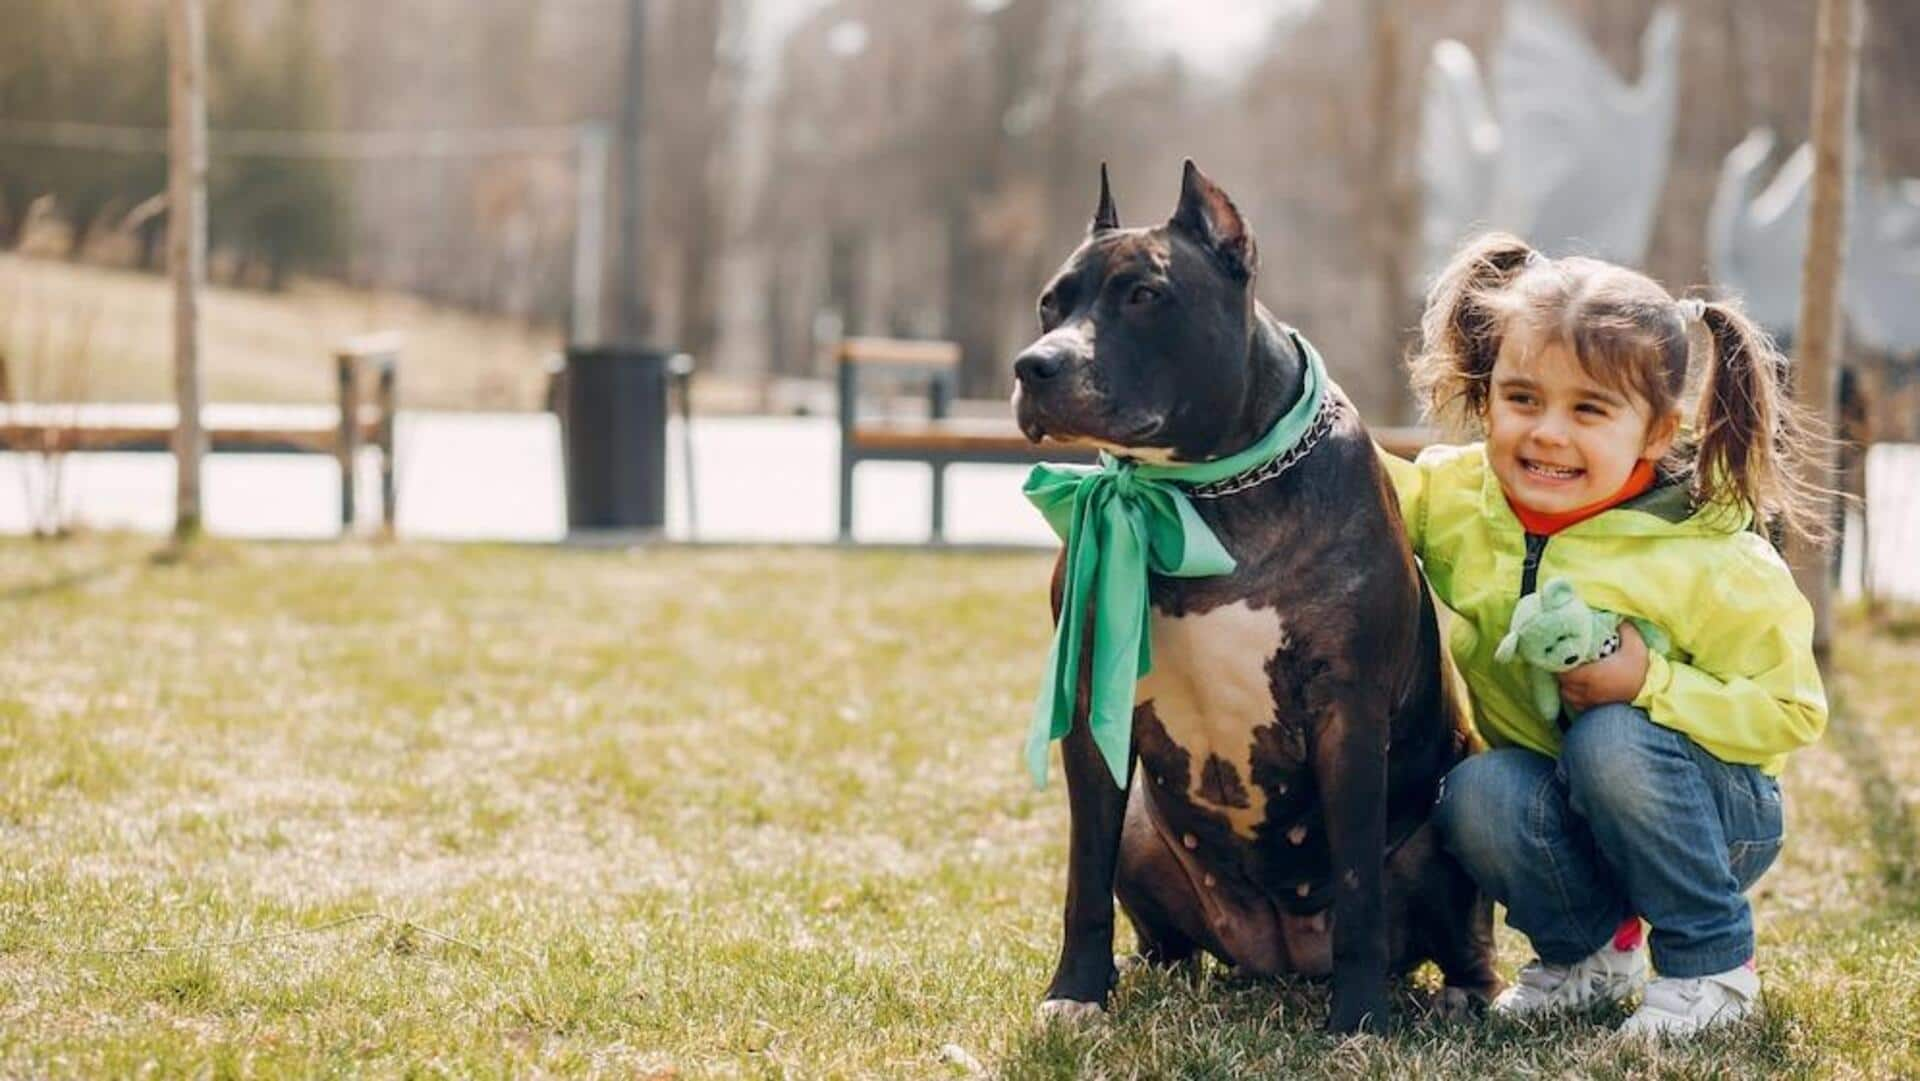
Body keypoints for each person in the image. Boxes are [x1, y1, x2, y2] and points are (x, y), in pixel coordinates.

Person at [1383, 232, 1829, 1037]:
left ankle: (1713, 969)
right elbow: (1367, 495)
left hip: (1712, 816)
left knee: (1611, 740)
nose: (1549, 433)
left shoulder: (1708, 555)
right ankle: (1587, 954)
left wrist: (1649, 685)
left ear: (1658, 433)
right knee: (1475, 792)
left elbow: (1791, 711)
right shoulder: (1458, 499)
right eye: (1523, 399)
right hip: (1562, 815)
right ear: (1488, 397)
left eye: (1589, 409)